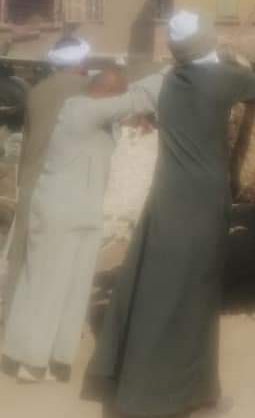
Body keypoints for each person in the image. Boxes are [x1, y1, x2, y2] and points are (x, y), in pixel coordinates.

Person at [87, 11, 255, 418]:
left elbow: (196, 72)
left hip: (165, 200)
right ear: (206, 43)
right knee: (193, 301)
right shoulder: (221, 79)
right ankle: (174, 407)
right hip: (201, 203)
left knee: (153, 294)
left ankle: (154, 404)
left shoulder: (168, 81)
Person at [2, 67, 158, 381]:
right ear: (107, 94)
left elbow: (128, 112)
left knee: (75, 288)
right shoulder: (79, 109)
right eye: (118, 95)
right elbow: (136, 99)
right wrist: (185, 69)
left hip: (85, 211)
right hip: (59, 210)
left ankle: (57, 358)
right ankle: (28, 359)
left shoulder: (101, 118)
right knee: (46, 284)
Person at [2, 37, 92, 325]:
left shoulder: (36, 91)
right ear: (81, 61)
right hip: (67, 184)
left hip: (31, 182)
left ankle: (11, 316)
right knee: (62, 258)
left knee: (22, 254)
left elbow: (28, 141)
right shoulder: (90, 90)